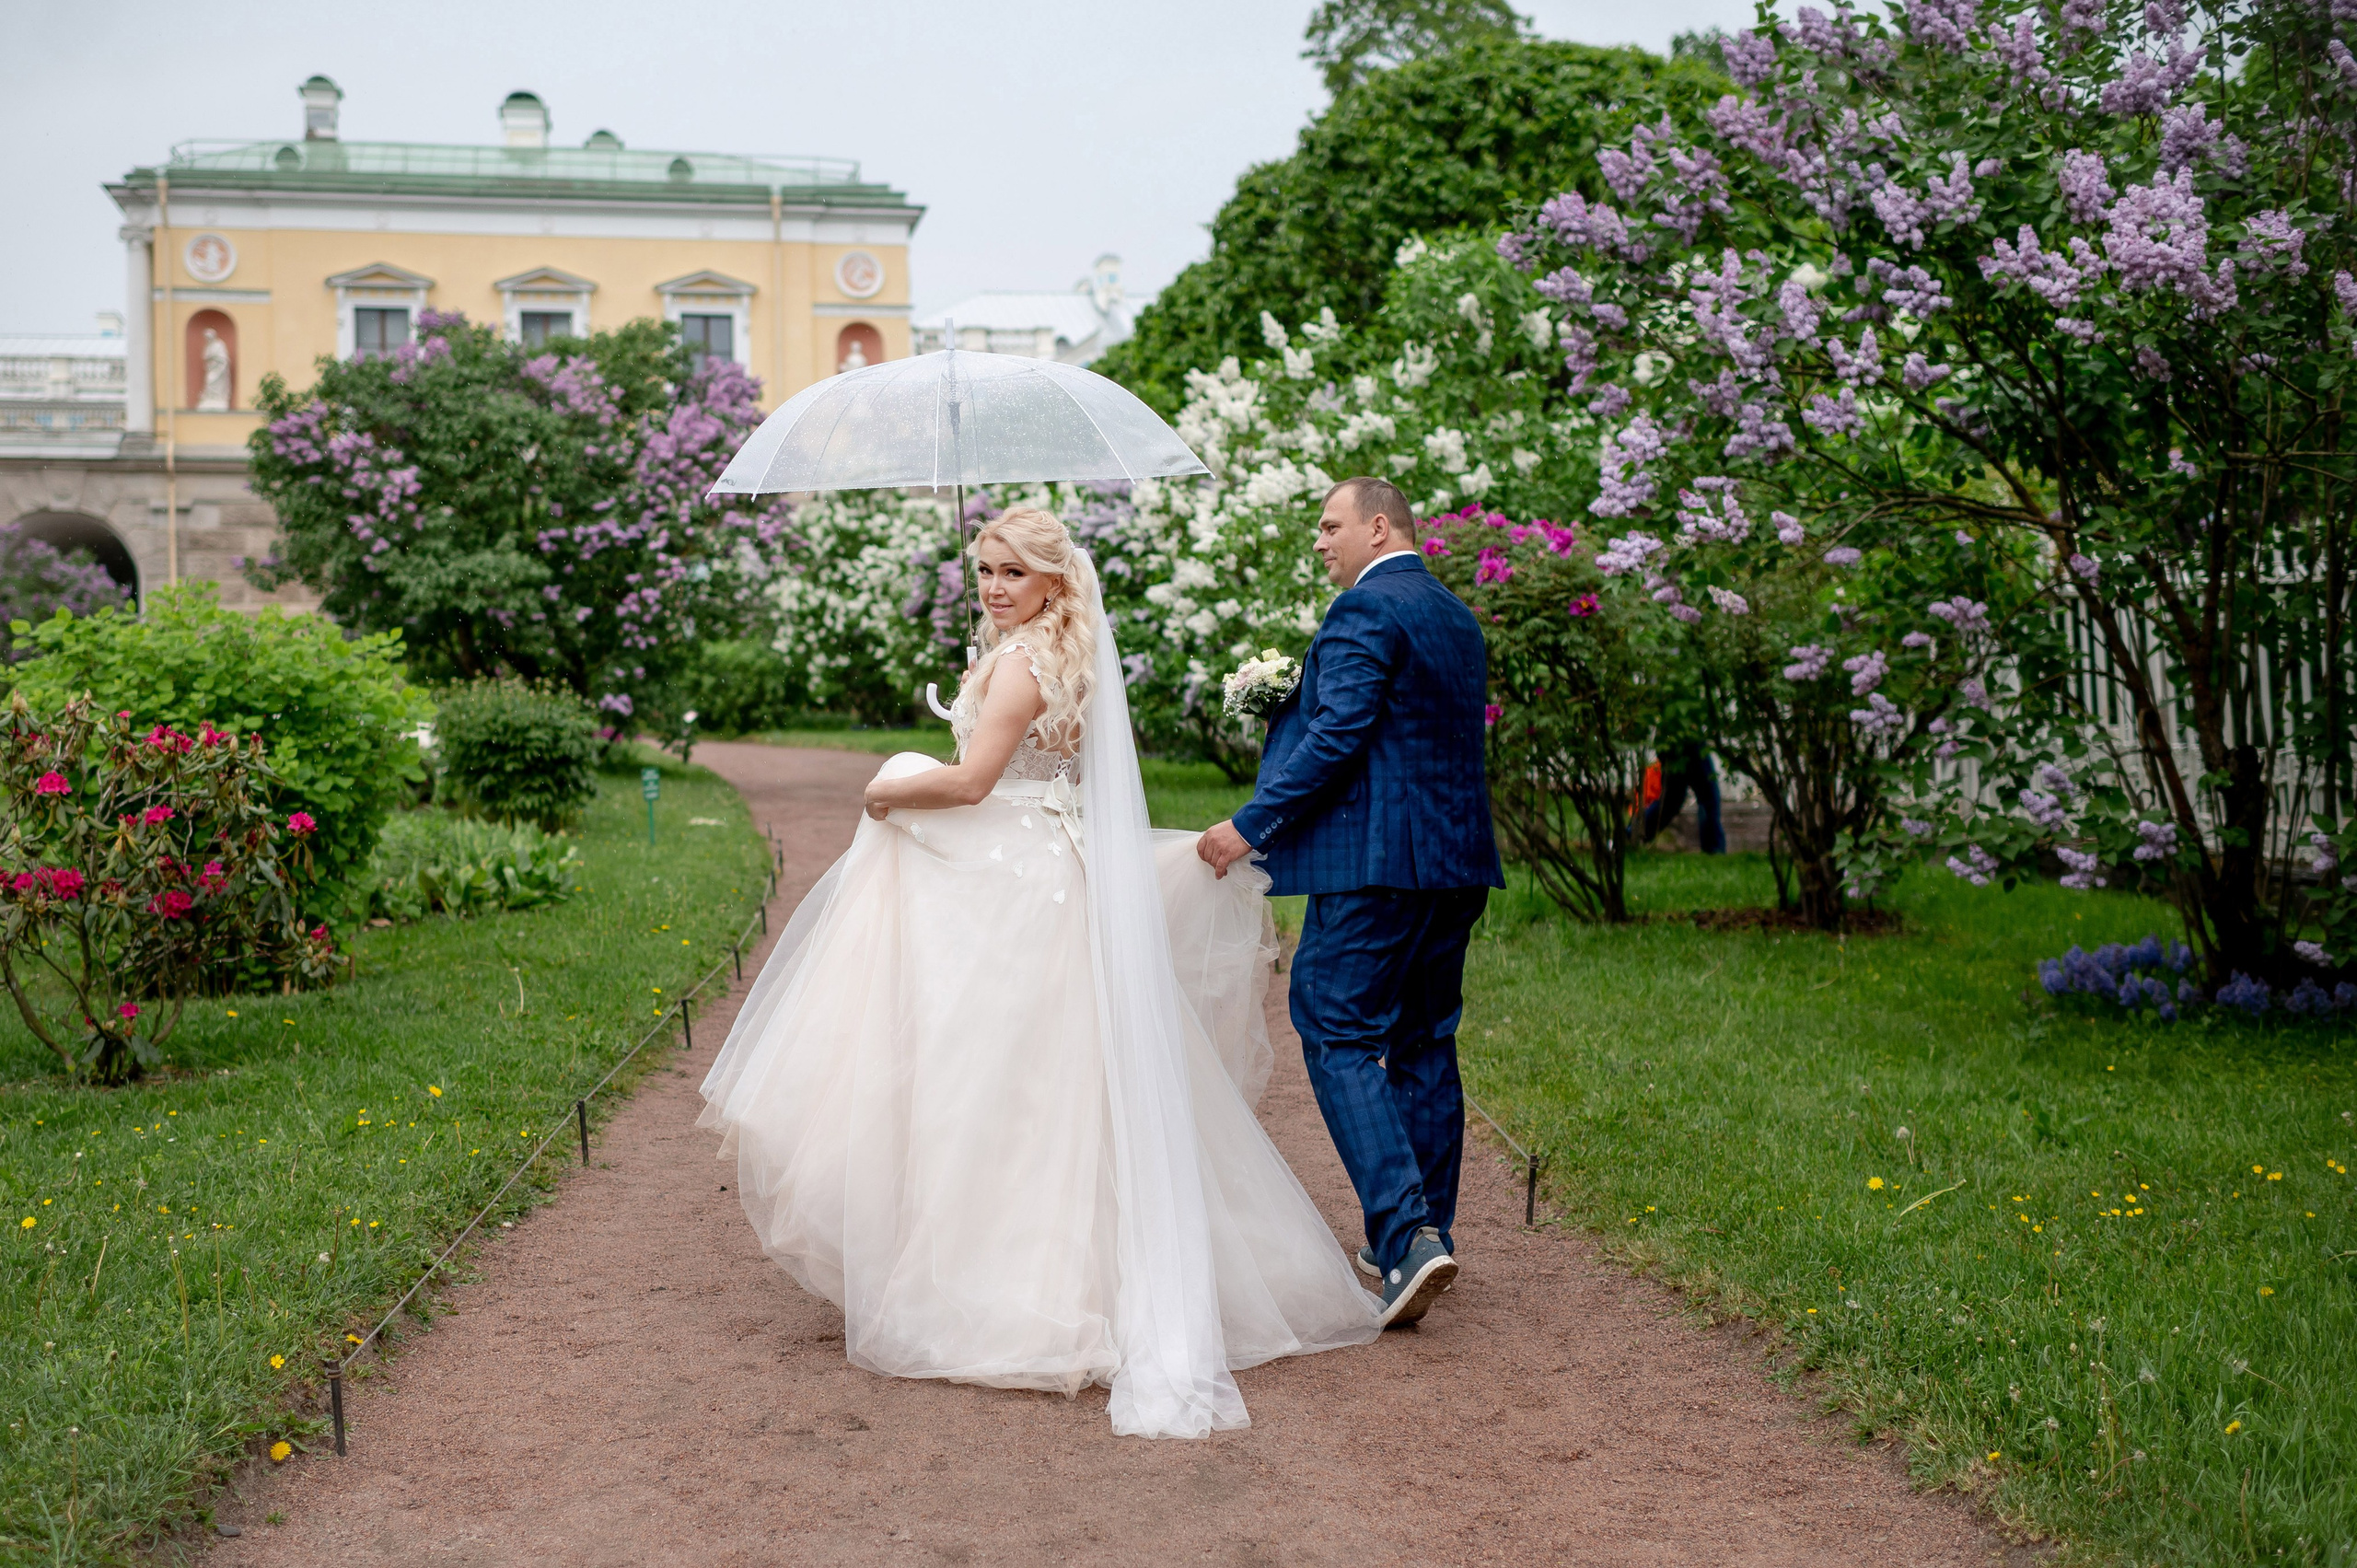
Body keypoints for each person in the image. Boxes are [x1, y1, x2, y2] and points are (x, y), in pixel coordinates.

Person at [699, 507, 1379, 1440]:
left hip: (1012, 889)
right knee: (1038, 1082)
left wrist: (888, 785)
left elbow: (975, 781)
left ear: (1053, 581)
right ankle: (1032, 1267)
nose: (992, 585)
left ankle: (1009, 1290)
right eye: (982, 569)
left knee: (999, 1082)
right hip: (1035, 873)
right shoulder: (1057, 659)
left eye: (1012, 572)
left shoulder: (1021, 665)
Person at [1197, 476, 1504, 1330]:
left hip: (1377, 865)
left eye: (1331, 526)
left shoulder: (1364, 611)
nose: (1321, 541)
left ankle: (1404, 1237)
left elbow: (1341, 731)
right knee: (1423, 1038)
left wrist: (1250, 823)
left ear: (1378, 526)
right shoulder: (1452, 613)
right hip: (1457, 862)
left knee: (1333, 1023)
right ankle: (1420, 1233)